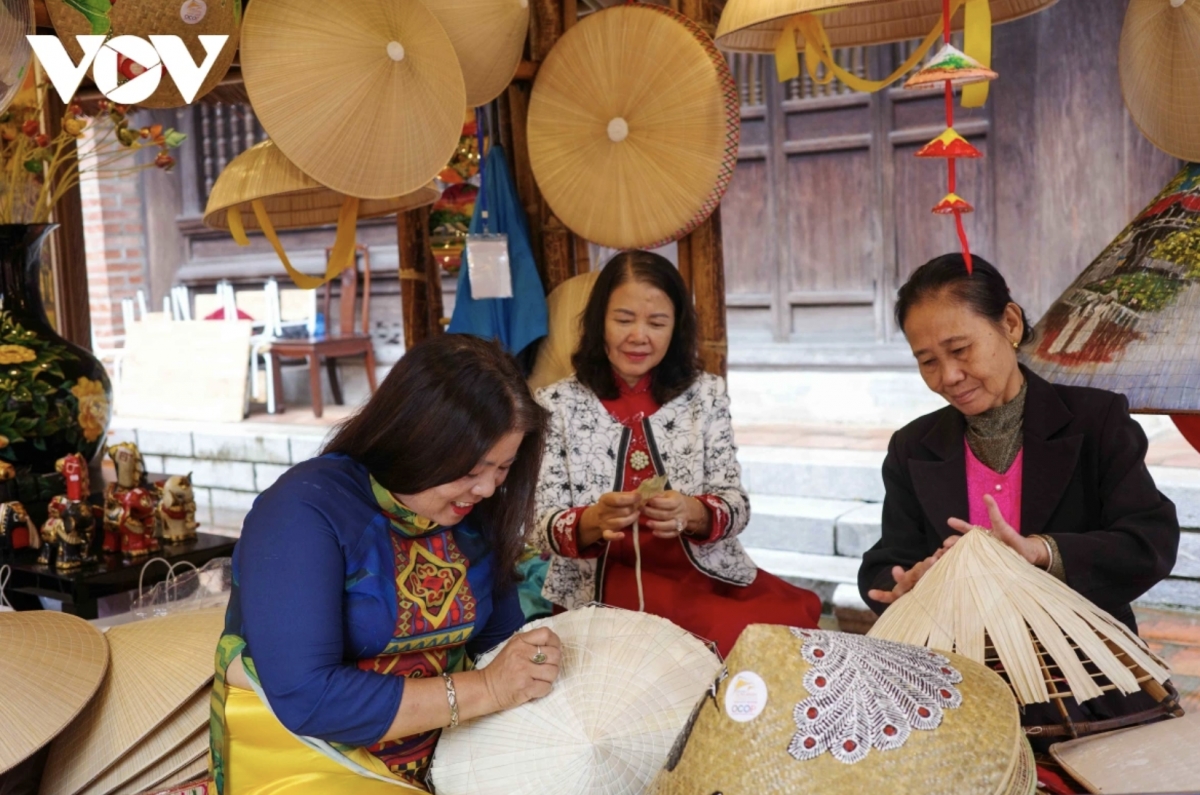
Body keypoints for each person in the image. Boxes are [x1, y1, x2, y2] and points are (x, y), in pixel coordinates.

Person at [210, 335, 561, 795]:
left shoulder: (473, 513)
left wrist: (532, 664)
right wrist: (488, 689)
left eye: (503, 468)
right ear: (417, 440)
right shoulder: (303, 510)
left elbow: (499, 643)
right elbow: (308, 698)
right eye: (473, 469)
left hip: (449, 754)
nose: (489, 489)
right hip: (310, 756)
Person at [859, 253, 1179, 732]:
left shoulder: (1096, 421)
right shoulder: (913, 447)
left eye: (960, 349)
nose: (947, 376)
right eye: (928, 361)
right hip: (957, 683)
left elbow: (1149, 540)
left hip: (1085, 676)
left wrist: (1042, 553)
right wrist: (909, 581)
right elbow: (886, 562)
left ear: (1009, 322)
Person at [533, 251, 821, 655]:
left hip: (701, 580)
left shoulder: (705, 396)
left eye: (656, 322)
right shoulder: (556, 405)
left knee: (769, 644)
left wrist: (694, 512)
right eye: (623, 319)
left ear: (676, 328)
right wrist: (594, 521)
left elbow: (735, 505)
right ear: (599, 321)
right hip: (598, 592)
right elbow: (540, 524)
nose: (639, 336)